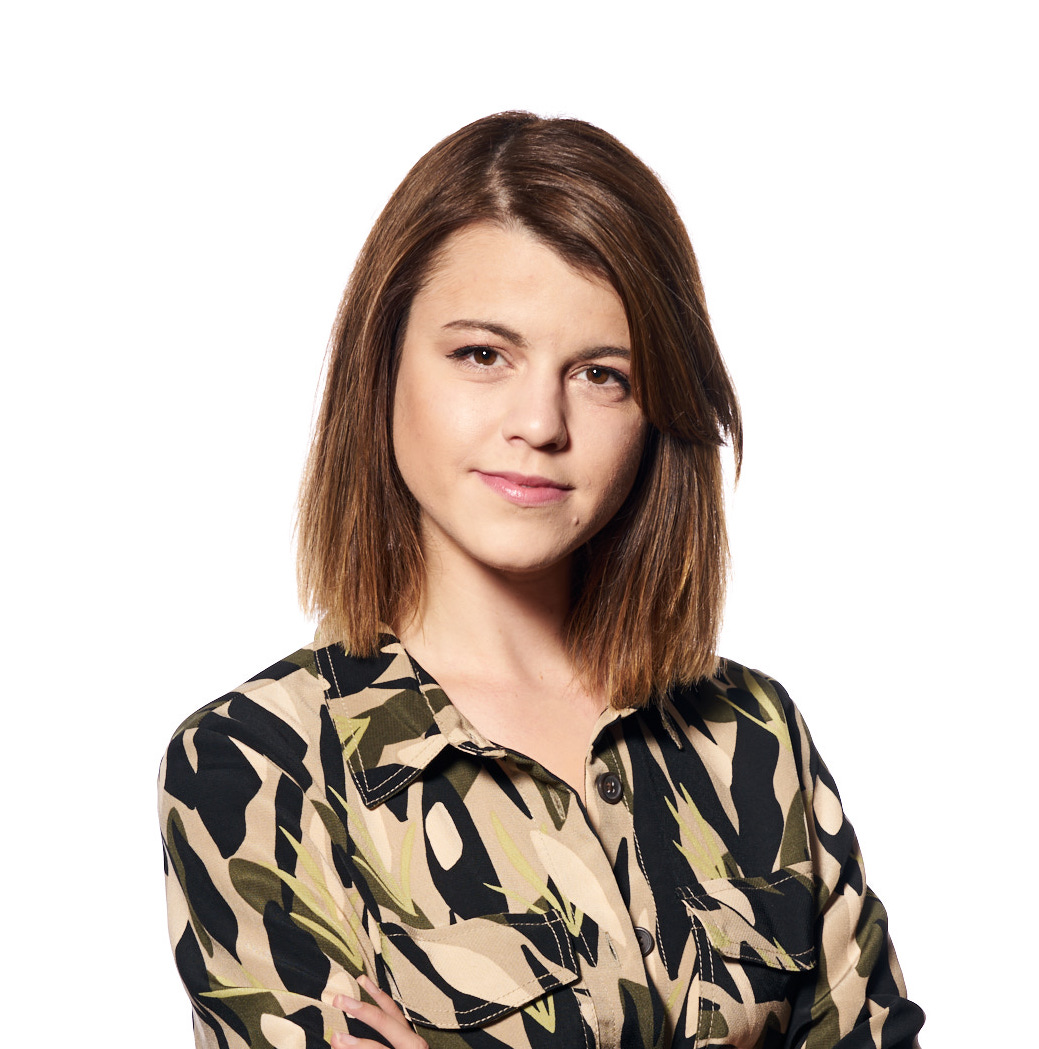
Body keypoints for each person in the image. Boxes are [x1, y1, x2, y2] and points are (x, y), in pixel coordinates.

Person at [158, 111, 924, 1049]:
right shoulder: (259, 764)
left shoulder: (752, 739)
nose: (539, 421)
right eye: (483, 354)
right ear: (383, 362)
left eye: (602, 374)